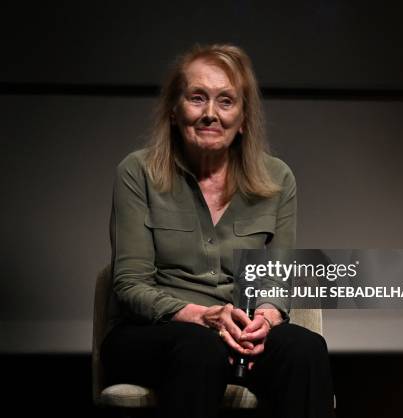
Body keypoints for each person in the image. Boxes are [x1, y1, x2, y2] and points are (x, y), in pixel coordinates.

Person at [101, 43, 335, 418]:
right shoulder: (138, 172)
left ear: (243, 119)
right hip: (152, 335)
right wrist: (200, 315)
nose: (210, 114)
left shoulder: (277, 179)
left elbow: (276, 281)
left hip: (236, 334)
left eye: (226, 101)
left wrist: (266, 319)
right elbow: (130, 284)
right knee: (199, 348)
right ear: (174, 111)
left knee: (304, 349)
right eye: (197, 98)